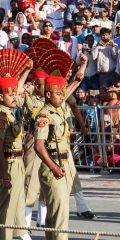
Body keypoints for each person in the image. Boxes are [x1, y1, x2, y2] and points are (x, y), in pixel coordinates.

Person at [33, 75, 77, 240]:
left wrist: (77, 76)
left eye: (62, 93)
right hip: (53, 166)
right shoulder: (45, 116)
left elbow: (72, 87)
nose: (61, 95)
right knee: (60, 217)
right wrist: (53, 167)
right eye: (57, 93)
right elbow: (39, 145)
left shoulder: (61, 109)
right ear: (48, 95)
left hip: (63, 163)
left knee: (53, 216)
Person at [0, 55, 32, 240]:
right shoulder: (2, 115)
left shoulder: (10, 110)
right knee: (7, 208)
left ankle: (23, 236)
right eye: (10, 95)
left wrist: (26, 70)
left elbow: (16, 90)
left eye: (14, 94)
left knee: (17, 205)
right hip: (8, 163)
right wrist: (4, 174)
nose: (14, 97)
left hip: (18, 162)